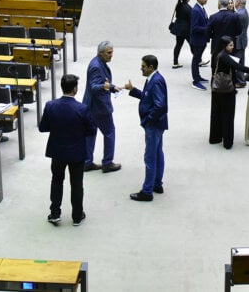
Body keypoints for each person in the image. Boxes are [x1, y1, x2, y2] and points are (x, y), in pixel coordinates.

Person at [38, 74, 97, 226]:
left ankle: (55, 213)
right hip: (77, 152)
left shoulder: (50, 105)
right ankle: (77, 216)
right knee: (77, 184)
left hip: (57, 151)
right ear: (75, 89)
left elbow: (43, 127)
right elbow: (91, 130)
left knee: (57, 181)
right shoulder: (82, 109)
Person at [123, 54, 168, 202]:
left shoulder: (155, 82)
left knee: (150, 156)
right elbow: (147, 97)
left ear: (151, 67)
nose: (140, 69)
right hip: (157, 124)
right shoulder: (153, 80)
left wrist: (148, 120)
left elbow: (160, 106)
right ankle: (157, 184)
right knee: (157, 153)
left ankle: (147, 191)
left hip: (153, 125)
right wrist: (133, 90)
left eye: (143, 66)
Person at [82, 41, 123, 173]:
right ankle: (107, 163)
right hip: (99, 107)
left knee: (90, 133)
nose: (111, 55)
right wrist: (107, 86)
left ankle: (87, 162)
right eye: (109, 53)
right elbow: (95, 87)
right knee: (110, 132)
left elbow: (101, 83)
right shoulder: (96, 66)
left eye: (112, 52)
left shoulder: (97, 62)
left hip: (90, 106)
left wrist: (112, 87)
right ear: (101, 53)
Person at [210, 36, 249, 149]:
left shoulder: (217, 54)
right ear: (224, 46)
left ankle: (215, 137)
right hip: (226, 90)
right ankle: (227, 142)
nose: (232, 47)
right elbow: (238, 66)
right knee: (228, 115)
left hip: (217, 88)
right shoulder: (224, 56)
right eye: (230, 45)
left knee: (217, 113)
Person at [206, 0, 242, 73]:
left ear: (219, 4)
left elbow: (207, 33)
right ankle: (230, 83)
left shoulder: (213, 17)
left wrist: (214, 36)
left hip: (216, 44)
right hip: (230, 45)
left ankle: (215, 82)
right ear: (227, 4)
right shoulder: (235, 16)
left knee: (215, 65)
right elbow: (239, 31)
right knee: (230, 66)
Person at [190, 0, 210, 90]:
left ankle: (198, 76)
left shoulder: (201, 8)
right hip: (197, 40)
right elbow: (194, 27)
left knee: (197, 59)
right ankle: (195, 81)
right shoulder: (196, 10)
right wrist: (207, 29)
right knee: (195, 60)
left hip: (202, 40)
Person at [171, 0, 191, 69]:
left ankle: (175, 62)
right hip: (186, 30)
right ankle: (198, 60)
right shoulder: (187, 7)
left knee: (178, 45)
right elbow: (191, 18)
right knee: (192, 44)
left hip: (178, 29)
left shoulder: (179, 5)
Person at [233, 0, 249, 87]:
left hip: (238, 41)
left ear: (238, 2)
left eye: (235, 1)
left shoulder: (239, 14)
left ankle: (240, 81)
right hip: (243, 40)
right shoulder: (244, 11)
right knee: (241, 61)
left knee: (238, 62)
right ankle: (241, 79)